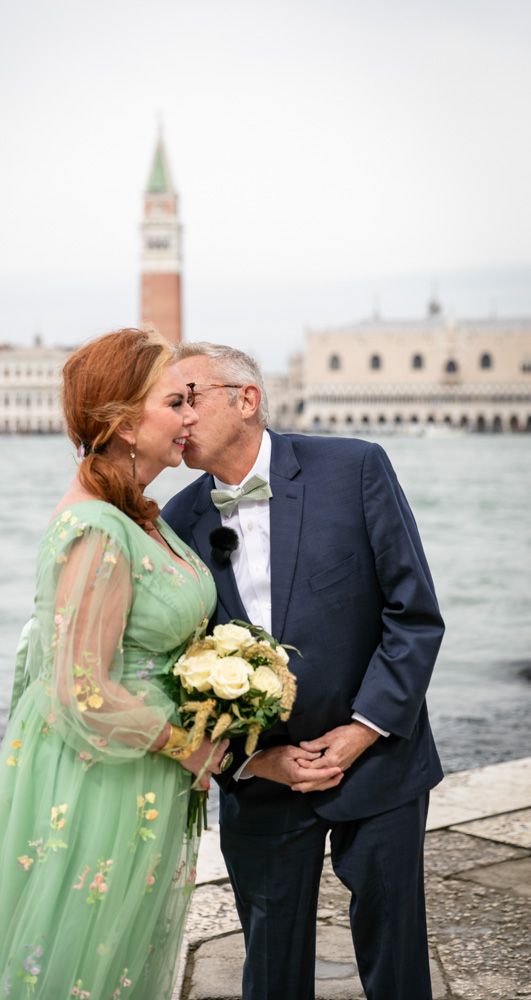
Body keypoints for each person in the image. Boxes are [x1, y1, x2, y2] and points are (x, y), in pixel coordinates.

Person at [0, 329, 229, 1000]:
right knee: (80, 966)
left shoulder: (141, 517)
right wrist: (188, 746)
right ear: (125, 422)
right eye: (176, 402)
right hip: (102, 773)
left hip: (139, 764)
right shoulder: (96, 527)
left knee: (118, 958)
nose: (191, 417)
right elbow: (81, 689)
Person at [162, 342, 444, 1000]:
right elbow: (181, 671)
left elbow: (413, 616)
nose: (178, 418)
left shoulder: (355, 467)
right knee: (269, 963)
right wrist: (250, 758)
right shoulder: (174, 523)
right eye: (169, 404)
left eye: (189, 398)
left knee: (395, 953)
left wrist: (361, 730)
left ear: (246, 399)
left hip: (378, 758)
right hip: (261, 778)